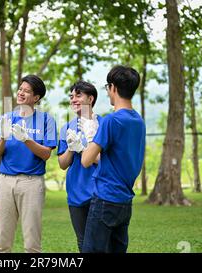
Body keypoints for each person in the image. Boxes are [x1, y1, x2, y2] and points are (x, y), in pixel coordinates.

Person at [80, 65, 146, 253]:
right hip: (125, 201)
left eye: (107, 88)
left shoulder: (111, 120)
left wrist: (89, 132)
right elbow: (114, 158)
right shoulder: (138, 121)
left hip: (105, 198)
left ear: (113, 88)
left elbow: (86, 160)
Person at [0, 75, 57, 253]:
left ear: (36, 98)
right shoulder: (5, 118)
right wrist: (3, 138)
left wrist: (27, 139)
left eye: (27, 91)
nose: (21, 93)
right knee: (3, 242)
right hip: (5, 182)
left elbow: (46, 154)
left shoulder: (46, 120)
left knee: (32, 243)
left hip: (31, 183)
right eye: (20, 89)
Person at [57, 80, 101, 252]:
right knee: (83, 242)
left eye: (78, 95)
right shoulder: (66, 128)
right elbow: (62, 164)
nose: (73, 99)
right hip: (76, 193)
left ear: (90, 99)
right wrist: (70, 148)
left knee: (100, 241)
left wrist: (83, 149)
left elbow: (104, 160)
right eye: (71, 96)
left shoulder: (104, 125)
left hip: (99, 192)